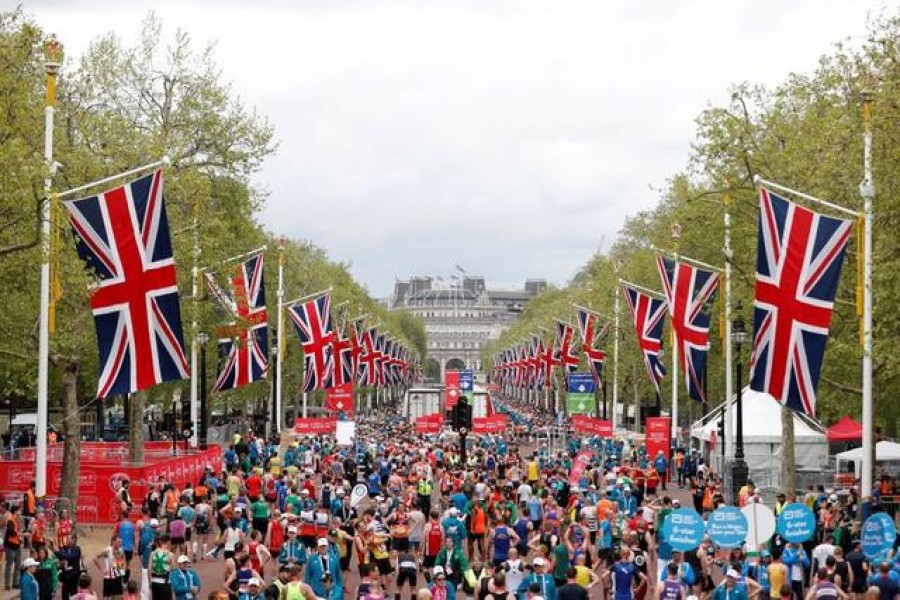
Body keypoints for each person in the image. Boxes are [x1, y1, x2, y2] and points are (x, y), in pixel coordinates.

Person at [5, 504, 23, 590]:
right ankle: (7, 584)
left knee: (18, 565)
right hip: (10, 546)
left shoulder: (17, 520)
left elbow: (19, 531)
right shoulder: (10, 520)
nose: (21, 512)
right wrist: (18, 533)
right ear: (15, 511)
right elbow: (10, 531)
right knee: (9, 565)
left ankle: (15, 583)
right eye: (19, 510)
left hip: (18, 545)